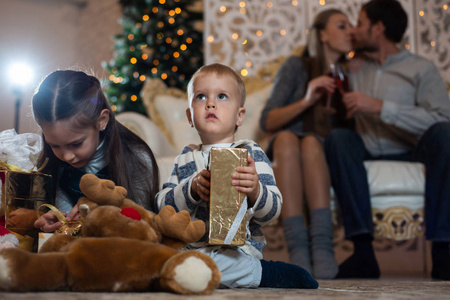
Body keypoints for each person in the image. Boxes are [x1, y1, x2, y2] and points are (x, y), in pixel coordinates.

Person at [156, 63, 318, 289]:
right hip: (190, 249)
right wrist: (190, 189)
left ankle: (263, 273)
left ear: (239, 116)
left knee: (224, 264)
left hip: (237, 252)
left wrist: (255, 191)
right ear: (190, 116)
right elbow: (162, 207)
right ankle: (192, 274)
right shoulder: (184, 158)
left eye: (222, 96)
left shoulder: (251, 153)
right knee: (164, 258)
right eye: (201, 97)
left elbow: (272, 212)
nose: (210, 103)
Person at [325, 0, 450, 279]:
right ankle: (363, 254)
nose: (354, 31)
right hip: (366, 147)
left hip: (412, 149)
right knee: (338, 139)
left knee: (445, 135)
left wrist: (381, 107)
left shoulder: (421, 68)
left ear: (378, 28)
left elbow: (442, 118)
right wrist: (344, 61)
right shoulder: (354, 66)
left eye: (360, 24)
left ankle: (444, 252)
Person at [259, 9, 353, 279]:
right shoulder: (296, 66)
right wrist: (308, 99)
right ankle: (297, 246)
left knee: (311, 142)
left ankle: (322, 246)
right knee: (288, 138)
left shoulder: (351, 73)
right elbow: (268, 120)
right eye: (342, 26)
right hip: (285, 146)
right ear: (322, 34)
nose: (350, 32)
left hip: (319, 150)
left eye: (351, 27)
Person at [32, 70, 159, 232]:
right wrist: (54, 224)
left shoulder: (137, 158)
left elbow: (146, 226)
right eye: (55, 146)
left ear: (101, 121)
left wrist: (97, 217)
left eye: (76, 144)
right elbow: (64, 223)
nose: (67, 156)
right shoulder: (52, 164)